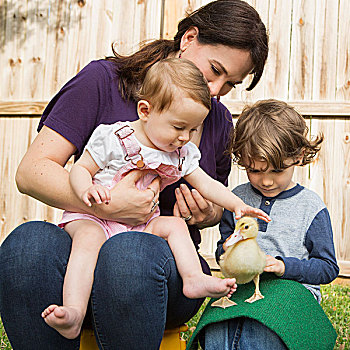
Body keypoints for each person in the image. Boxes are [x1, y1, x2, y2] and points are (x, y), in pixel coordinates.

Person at [0, 1, 269, 348]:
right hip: (89, 247)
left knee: (129, 254)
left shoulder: (215, 117)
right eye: (214, 70)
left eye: (230, 83)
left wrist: (208, 213)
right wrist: (108, 206)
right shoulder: (103, 82)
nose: (217, 90)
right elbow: (31, 173)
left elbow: (213, 196)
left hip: (155, 271)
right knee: (27, 246)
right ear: (188, 38)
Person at [41, 58, 272, 339]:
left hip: (139, 226)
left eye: (192, 129)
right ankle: (74, 313)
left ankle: (193, 278)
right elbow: (80, 168)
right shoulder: (115, 137)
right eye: (178, 127)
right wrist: (86, 190)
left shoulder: (178, 152)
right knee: (88, 241)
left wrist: (236, 204)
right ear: (145, 110)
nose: (185, 137)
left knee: (173, 226)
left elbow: (206, 183)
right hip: (94, 218)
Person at [202, 99, 339, 350]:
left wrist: (283, 266)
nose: (265, 181)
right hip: (243, 286)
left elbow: (327, 268)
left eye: (276, 170)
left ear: (298, 157)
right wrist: (229, 253)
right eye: (254, 170)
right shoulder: (237, 199)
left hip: (291, 289)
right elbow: (223, 247)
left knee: (260, 332)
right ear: (241, 159)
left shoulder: (310, 206)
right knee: (216, 331)